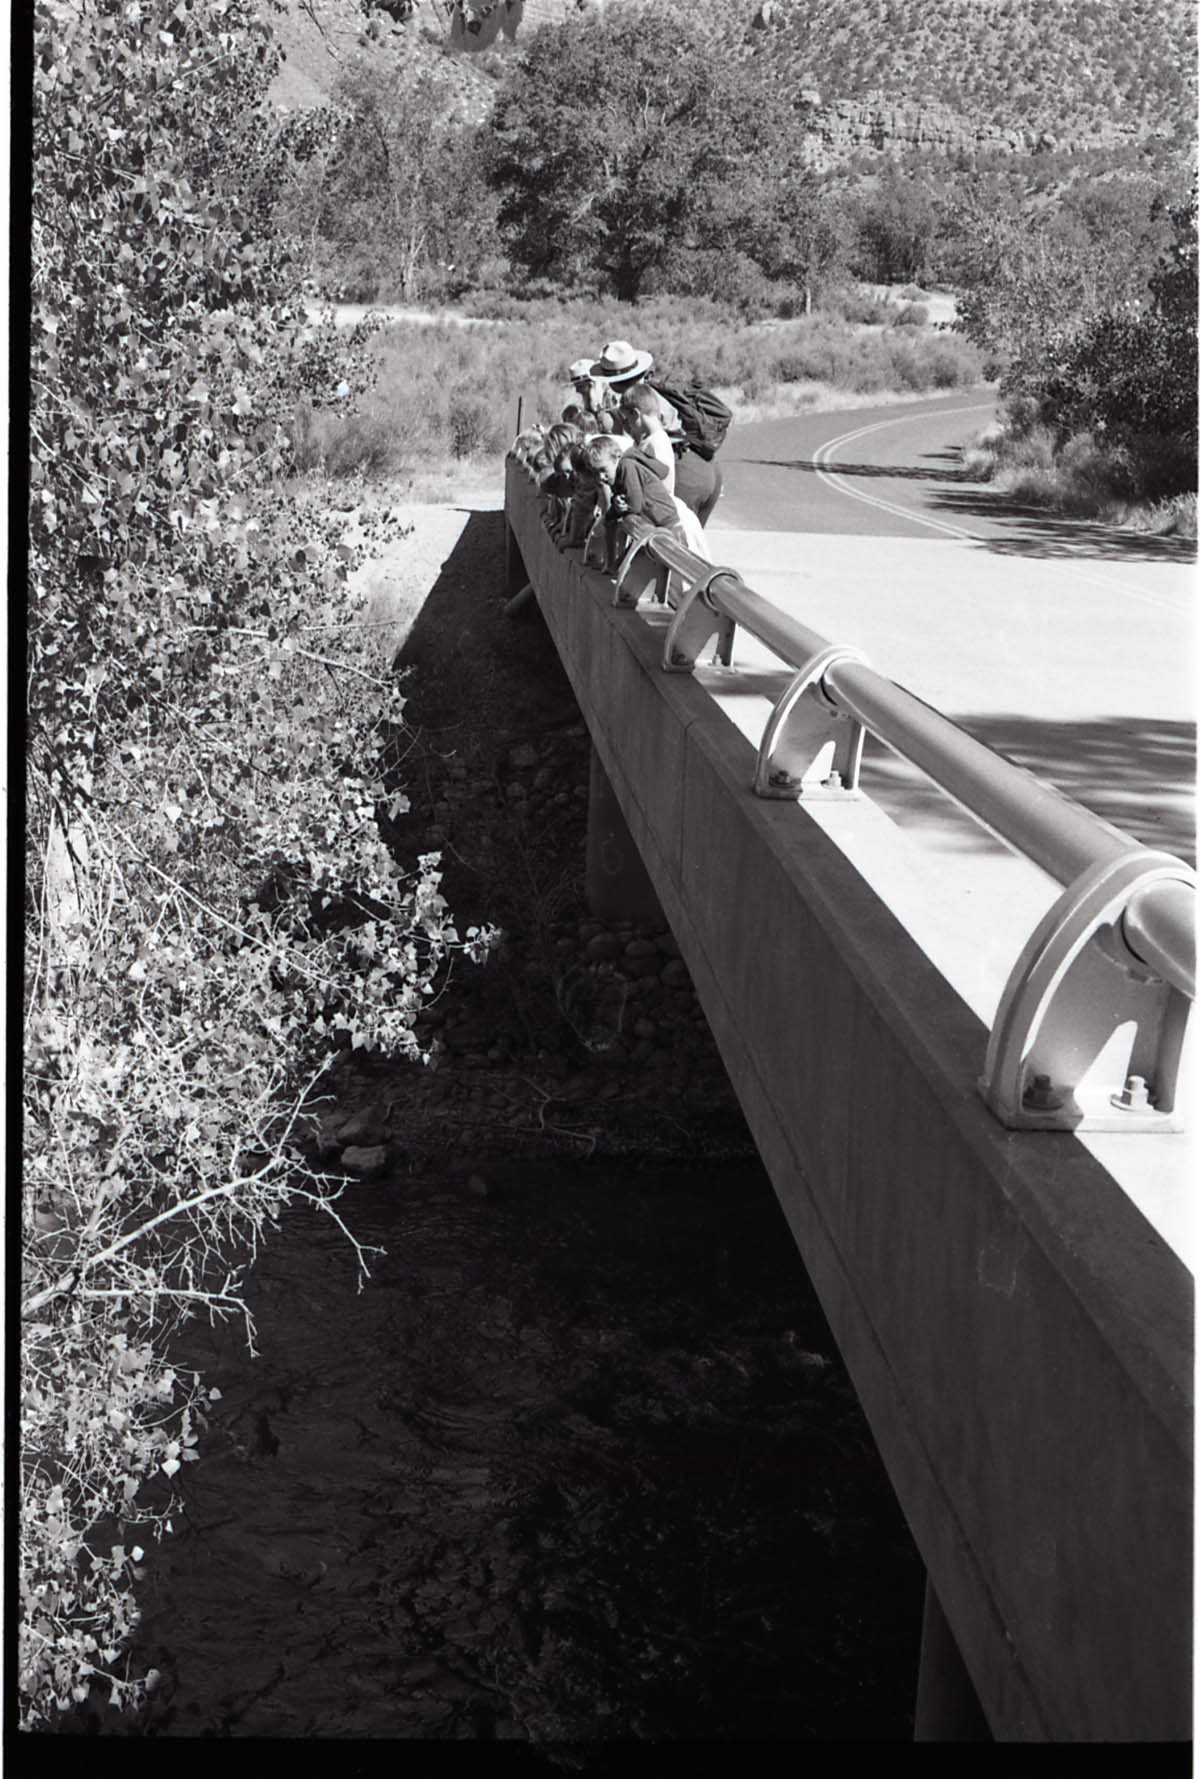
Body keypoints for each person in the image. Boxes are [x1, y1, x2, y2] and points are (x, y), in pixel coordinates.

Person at [588, 338, 723, 527]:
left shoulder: (635, 406)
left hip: (681, 471)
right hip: (706, 466)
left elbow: (627, 452)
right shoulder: (659, 391)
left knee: (671, 543)